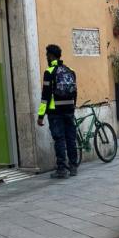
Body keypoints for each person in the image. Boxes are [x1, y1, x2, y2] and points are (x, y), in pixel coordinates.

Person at [37, 44, 78, 179]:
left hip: (55, 112)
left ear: (50, 56)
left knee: (59, 139)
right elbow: (75, 92)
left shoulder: (49, 72)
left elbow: (45, 96)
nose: (46, 57)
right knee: (71, 138)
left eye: (47, 55)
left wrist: (41, 115)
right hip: (69, 110)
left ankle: (62, 169)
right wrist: (72, 107)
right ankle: (73, 167)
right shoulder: (70, 70)